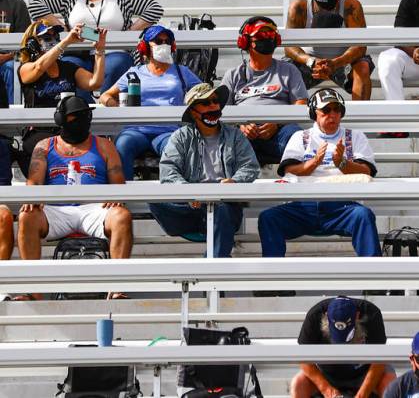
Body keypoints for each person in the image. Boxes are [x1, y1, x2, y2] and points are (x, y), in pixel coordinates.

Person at [28, 0, 162, 97]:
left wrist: (129, 32)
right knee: (70, 67)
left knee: (117, 64)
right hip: (77, 51)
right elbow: (35, 6)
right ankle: (82, 111)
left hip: (113, 50)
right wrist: (63, 28)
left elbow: (155, 9)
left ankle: (108, 105)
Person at [258, 89, 380, 258]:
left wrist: (342, 163)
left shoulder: (356, 136)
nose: (333, 114)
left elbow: (367, 171)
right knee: (268, 217)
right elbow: (288, 170)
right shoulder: (300, 136)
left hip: (342, 206)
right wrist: (314, 162)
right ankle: (272, 280)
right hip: (302, 207)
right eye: (326, 110)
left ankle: (373, 280)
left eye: (337, 109)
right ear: (314, 113)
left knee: (363, 215)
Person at [18, 96, 133, 273]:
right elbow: (34, 181)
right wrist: (34, 197)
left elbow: (118, 183)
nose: (80, 122)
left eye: (84, 116)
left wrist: (115, 197)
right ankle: (32, 289)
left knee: (121, 215)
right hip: (56, 210)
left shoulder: (104, 145)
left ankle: (117, 287)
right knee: (27, 215)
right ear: (61, 121)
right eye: (74, 118)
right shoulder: (44, 146)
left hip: (94, 209)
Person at [154, 83, 259, 258]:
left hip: (224, 203)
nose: (213, 105)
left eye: (215, 101)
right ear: (193, 112)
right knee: (154, 200)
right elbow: (168, 169)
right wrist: (188, 192)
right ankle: (219, 251)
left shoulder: (235, 135)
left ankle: (211, 267)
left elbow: (250, 166)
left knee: (224, 210)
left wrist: (234, 181)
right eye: (206, 102)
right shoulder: (181, 136)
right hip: (191, 207)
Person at [99, 25, 202, 180]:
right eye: (158, 41)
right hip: (136, 130)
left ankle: (173, 197)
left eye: (167, 41)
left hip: (168, 130)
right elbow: (105, 95)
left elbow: (202, 92)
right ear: (145, 46)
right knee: (122, 145)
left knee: (174, 148)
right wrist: (115, 105)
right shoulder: (135, 71)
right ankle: (122, 196)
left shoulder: (181, 71)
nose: (164, 44)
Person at [17, 20, 106, 175]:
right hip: (39, 130)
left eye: (55, 35)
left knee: (99, 148)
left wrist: (99, 51)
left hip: (69, 128)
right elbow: (38, 67)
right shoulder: (26, 68)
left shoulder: (68, 67)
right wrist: (66, 42)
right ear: (33, 43)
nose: (53, 40)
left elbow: (94, 83)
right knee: (54, 152)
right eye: (46, 37)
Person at [221, 16, 309, 163]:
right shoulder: (233, 75)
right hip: (244, 134)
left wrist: (277, 123)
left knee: (298, 138)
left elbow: (301, 103)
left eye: (271, 35)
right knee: (228, 142)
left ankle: (294, 181)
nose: (268, 39)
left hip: (281, 131)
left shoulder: (288, 70)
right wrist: (240, 125)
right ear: (246, 42)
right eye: (261, 36)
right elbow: (221, 111)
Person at [284, 0, 372, 101]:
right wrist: (311, 61)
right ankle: (294, 117)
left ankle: (361, 116)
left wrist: (335, 63)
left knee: (363, 67)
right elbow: (289, 47)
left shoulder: (350, 4)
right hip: (310, 62)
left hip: (343, 60)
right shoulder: (299, 7)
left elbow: (360, 46)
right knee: (284, 70)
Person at [292, 295, 395, 398]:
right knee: (299, 383)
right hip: (327, 375)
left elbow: (380, 360)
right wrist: (326, 389)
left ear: (357, 315)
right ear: (326, 315)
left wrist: (362, 395)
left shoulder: (372, 314)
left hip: (364, 374)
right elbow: (303, 359)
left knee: (389, 382)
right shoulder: (315, 314)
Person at [0, 0, 33, 105]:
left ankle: (11, 121)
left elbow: (27, 47)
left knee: (11, 68)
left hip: (8, 61)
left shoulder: (16, 4)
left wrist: (6, 57)